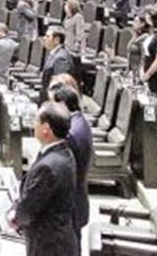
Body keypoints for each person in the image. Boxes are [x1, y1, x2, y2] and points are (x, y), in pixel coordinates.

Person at [9, 102, 78, 256]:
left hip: (49, 245)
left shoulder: (48, 166)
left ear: (46, 129)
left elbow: (30, 207)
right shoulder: (65, 152)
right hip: (59, 237)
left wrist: (14, 218)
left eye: (35, 121)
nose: (33, 125)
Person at [50, 82, 91, 248]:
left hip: (69, 205)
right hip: (77, 199)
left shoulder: (70, 134)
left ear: (62, 105)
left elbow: (59, 172)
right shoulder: (80, 121)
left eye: (52, 104)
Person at [40, 27, 72, 103]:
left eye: (47, 36)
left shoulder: (61, 58)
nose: (44, 38)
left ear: (56, 40)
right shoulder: (54, 53)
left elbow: (59, 87)